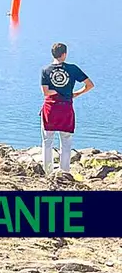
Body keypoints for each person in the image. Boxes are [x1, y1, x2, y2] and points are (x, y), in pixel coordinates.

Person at [40, 42, 95, 174]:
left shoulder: (45, 70)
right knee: (66, 142)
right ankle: (64, 172)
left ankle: (48, 172)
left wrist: (57, 91)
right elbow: (90, 85)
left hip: (50, 109)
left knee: (47, 142)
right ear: (64, 54)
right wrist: (75, 93)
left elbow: (46, 92)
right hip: (66, 109)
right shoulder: (73, 69)